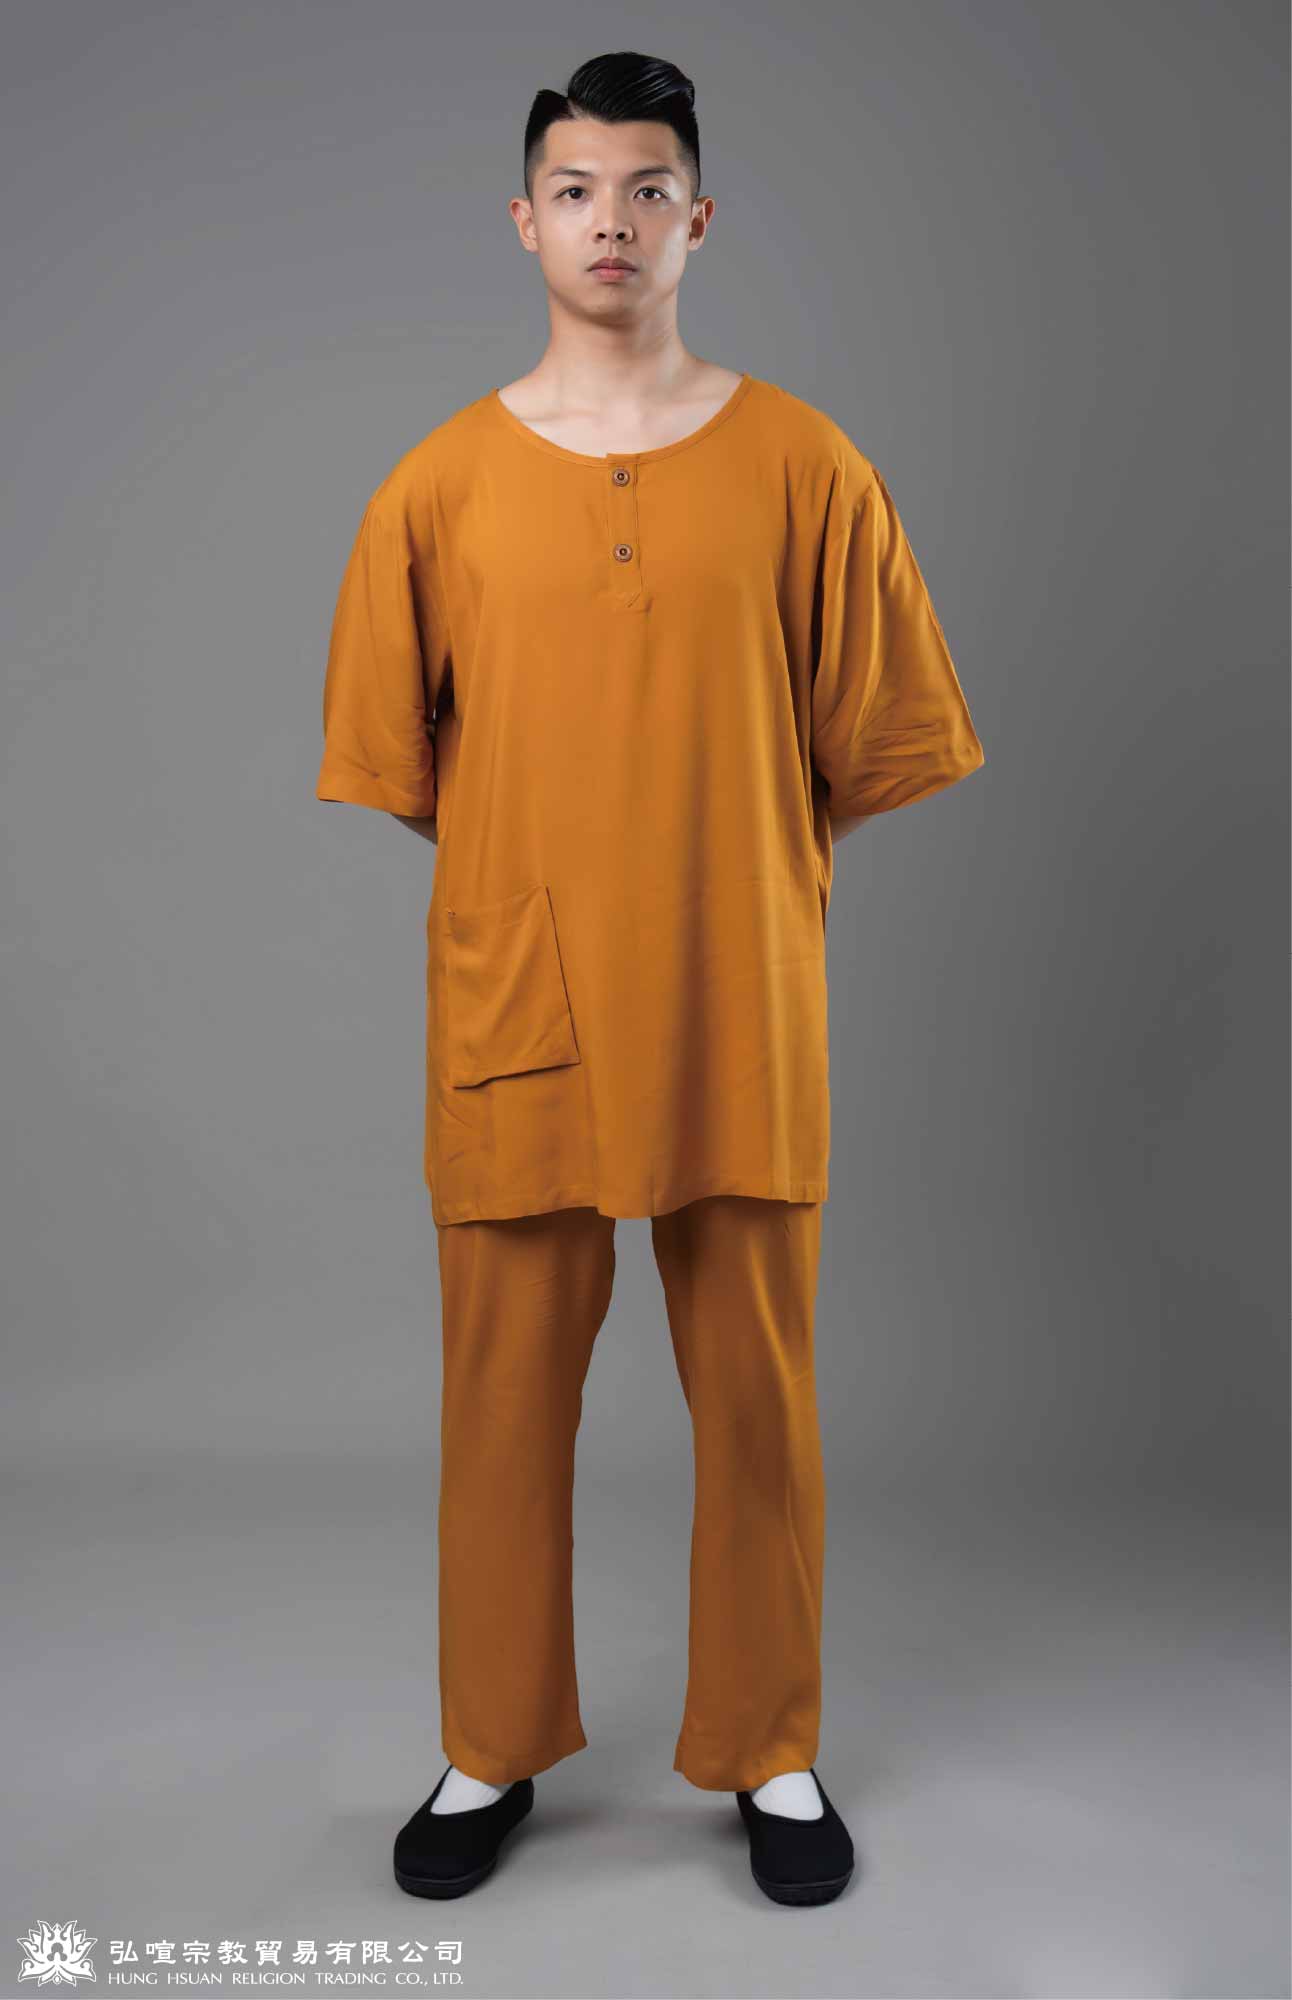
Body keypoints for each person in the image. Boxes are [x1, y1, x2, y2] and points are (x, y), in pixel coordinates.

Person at [315, 49, 985, 1907]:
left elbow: (871, 741)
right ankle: (488, 1742)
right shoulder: (437, 486)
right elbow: (408, 765)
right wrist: (550, 866)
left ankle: (773, 1747)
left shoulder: (807, 467)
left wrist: (716, 863)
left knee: (759, 1391)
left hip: (737, 1000)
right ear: (524, 220)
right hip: (519, 1011)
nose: (611, 220)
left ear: (699, 218)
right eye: (577, 189)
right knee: (502, 1396)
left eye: (647, 188)